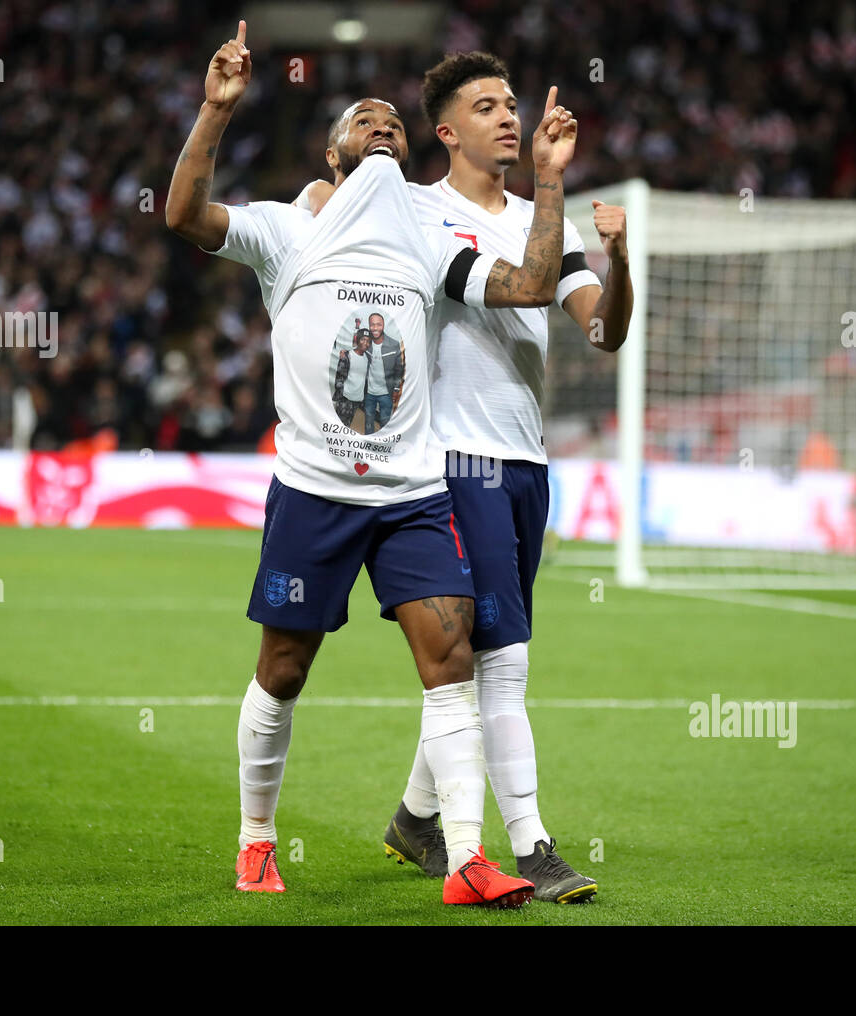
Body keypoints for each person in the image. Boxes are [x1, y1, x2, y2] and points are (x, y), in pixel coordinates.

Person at [165, 22, 579, 907]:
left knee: (453, 657)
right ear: (334, 149)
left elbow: (534, 286)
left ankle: (467, 858)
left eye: (395, 122)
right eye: (366, 121)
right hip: (314, 489)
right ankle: (256, 841)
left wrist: (546, 181)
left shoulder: (427, 242)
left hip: (413, 492)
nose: (385, 127)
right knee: (284, 668)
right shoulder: (289, 230)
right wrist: (214, 111)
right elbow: (184, 217)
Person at [300, 51, 633, 903]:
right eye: (488, 106)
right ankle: (534, 841)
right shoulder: (419, 212)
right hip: (454, 461)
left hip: (526, 466)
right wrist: (555, 185)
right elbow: (522, 288)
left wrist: (616, 258)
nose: (511, 117)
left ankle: (416, 819)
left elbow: (604, 333)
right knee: (507, 661)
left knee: (480, 661)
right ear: (446, 132)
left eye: (513, 103)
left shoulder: (536, 218)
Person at [362, 312, 403, 432]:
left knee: (385, 422)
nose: (375, 328)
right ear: (369, 326)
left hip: (386, 393)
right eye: (372, 325)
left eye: (378, 324)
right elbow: (358, 351)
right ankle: (368, 446)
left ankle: (382, 447)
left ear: (383, 325)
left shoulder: (393, 344)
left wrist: (396, 389)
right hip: (369, 392)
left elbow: (398, 370)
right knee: (368, 422)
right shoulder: (366, 343)